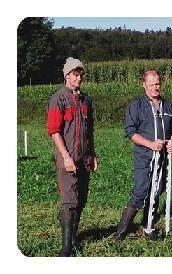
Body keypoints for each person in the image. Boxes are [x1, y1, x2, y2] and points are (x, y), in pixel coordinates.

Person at [115, 70, 172, 241]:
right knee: (141, 192)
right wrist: (150, 144)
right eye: (151, 85)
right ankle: (120, 233)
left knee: (157, 191)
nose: (155, 88)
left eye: (157, 84)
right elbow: (130, 132)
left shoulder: (168, 106)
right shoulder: (136, 105)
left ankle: (148, 227)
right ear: (144, 85)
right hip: (144, 156)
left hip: (163, 158)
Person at [47, 57, 98, 257]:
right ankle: (66, 248)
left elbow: (90, 129)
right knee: (69, 201)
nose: (79, 78)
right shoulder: (58, 99)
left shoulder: (86, 99)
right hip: (67, 159)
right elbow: (54, 131)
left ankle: (74, 238)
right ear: (67, 75)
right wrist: (66, 157)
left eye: (81, 75)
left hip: (84, 158)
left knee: (81, 199)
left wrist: (93, 154)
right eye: (76, 75)